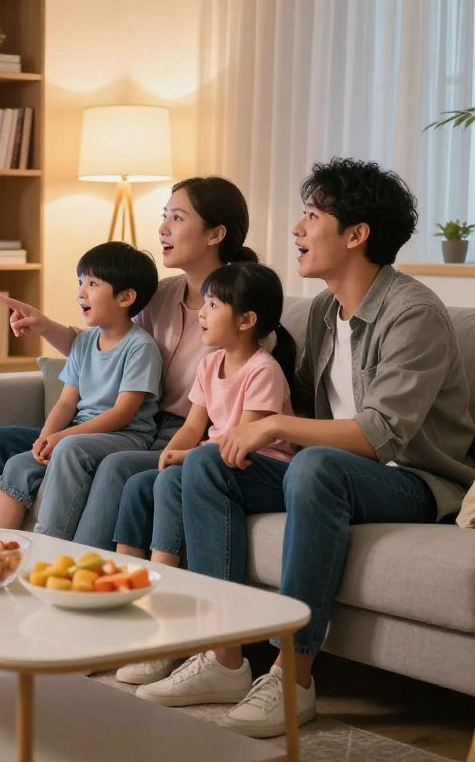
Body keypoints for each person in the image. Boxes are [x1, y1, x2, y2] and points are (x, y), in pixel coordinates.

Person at [138, 158, 475, 740]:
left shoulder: (413, 313)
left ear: (356, 234)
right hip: (324, 474)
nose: (297, 229)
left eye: (312, 216)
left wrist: (273, 427)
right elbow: (262, 382)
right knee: (204, 466)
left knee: (316, 465)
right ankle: (223, 659)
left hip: (413, 482)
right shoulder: (322, 311)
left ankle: (293, 680)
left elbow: (378, 435)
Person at [0, 177, 258, 537]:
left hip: (167, 429)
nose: (163, 228)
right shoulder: (160, 295)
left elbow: (247, 383)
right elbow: (104, 345)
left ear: (215, 234)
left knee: (77, 452)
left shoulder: (240, 310)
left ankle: (56, 550)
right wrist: (43, 325)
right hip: (122, 421)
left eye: (177, 218)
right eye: (164, 216)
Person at [113, 262, 295, 687]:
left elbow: (241, 440)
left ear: (246, 321)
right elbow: (194, 426)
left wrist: (189, 457)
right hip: (212, 459)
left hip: (258, 466)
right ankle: (131, 617)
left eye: (213, 305)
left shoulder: (263, 370)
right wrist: (172, 452)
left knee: (175, 477)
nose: (202, 313)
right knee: (140, 485)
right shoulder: (210, 364)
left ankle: (167, 634)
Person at [0, 241, 161, 532]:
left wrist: (63, 436)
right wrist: (46, 437)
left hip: (127, 436)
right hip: (82, 433)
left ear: (126, 297)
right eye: (80, 282)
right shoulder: (84, 342)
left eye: (93, 284)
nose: (81, 293)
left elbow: (123, 414)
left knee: (68, 448)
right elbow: (67, 402)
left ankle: (50, 544)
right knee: (18, 464)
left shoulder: (140, 347)